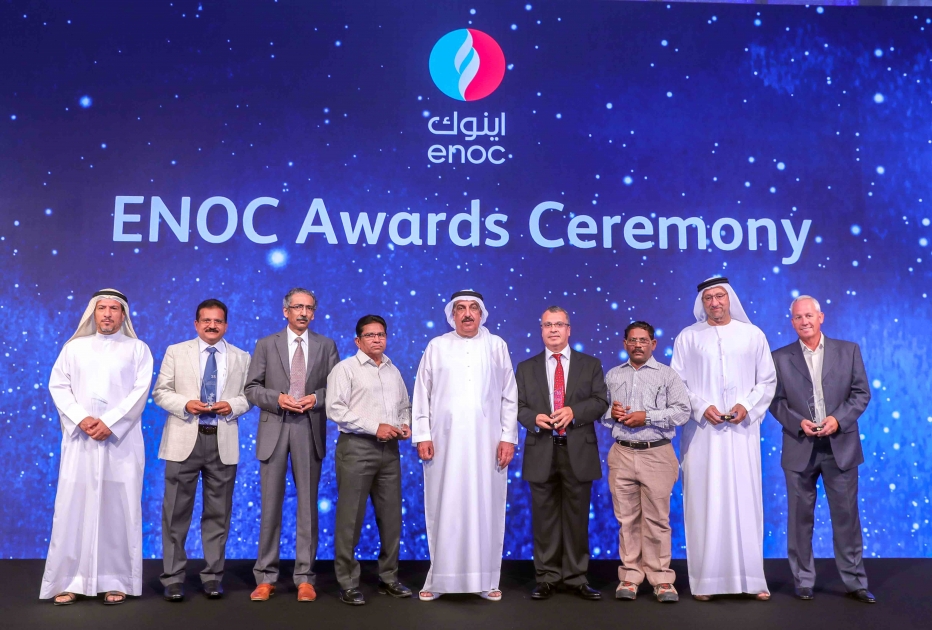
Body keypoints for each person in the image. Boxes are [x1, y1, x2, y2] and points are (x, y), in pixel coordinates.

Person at [41, 289, 154, 606]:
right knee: (73, 508)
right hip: (81, 442)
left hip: (121, 445)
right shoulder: (73, 349)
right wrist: (82, 419)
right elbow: (58, 386)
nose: (107, 314)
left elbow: (140, 392)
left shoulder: (138, 350)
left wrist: (111, 423)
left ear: (123, 315)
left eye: (113, 309)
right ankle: (69, 581)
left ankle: (116, 580)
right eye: (102, 308)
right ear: (93, 312)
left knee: (119, 509)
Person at [670, 277, 777, 601]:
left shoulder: (753, 335)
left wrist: (746, 405)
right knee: (704, 501)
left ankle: (752, 580)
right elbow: (676, 384)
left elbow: (767, 380)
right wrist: (702, 407)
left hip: (742, 435)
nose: (715, 303)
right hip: (702, 435)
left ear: (729, 298)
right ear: (702, 303)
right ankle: (706, 582)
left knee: (745, 500)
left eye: (720, 296)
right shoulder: (688, 337)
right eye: (708, 298)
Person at [412, 290, 518, 602]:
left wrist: (508, 437)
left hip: (488, 444)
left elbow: (509, 395)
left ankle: (486, 580)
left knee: (486, 507)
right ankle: (440, 579)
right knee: (444, 505)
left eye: (473, 308)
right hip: (444, 443)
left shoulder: (496, 345)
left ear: (482, 314)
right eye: (461, 308)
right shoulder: (437, 346)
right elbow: (421, 393)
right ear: (452, 314)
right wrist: (422, 434)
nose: (467, 313)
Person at [770, 296, 875, 603]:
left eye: (809, 315)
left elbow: (861, 393)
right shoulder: (779, 357)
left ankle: (855, 582)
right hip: (799, 446)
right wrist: (797, 422)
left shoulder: (848, 350)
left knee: (847, 518)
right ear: (792, 322)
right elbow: (775, 401)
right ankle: (803, 580)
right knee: (799, 519)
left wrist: (838, 420)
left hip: (840, 446)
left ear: (821, 317)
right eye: (798, 317)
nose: (804, 321)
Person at [152, 298, 252, 601]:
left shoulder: (241, 356)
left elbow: (249, 396)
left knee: (218, 514)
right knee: (175, 513)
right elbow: (161, 392)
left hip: (222, 441)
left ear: (226, 325)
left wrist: (231, 405)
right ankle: (172, 578)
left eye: (218, 321)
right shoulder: (176, 351)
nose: (212, 325)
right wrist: (185, 403)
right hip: (183, 440)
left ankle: (213, 577)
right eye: (206, 320)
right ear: (196, 324)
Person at [245, 288, 339, 602]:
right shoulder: (265, 344)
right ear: (285, 311)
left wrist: (316, 398)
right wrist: (277, 398)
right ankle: (265, 577)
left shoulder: (326, 345)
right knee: (270, 505)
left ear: (314, 312)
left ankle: (305, 578)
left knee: (308, 507)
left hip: (308, 428)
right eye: (297, 307)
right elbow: (251, 389)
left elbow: (337, 389)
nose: (303, 313)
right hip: (275, 426)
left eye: (309, 308)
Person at [516, 306, 608, 601]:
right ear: (541, 330)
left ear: (569, 329)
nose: (553, 329)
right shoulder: (526, 367)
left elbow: (600, 402)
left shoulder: (590, 364)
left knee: (577, 519)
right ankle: (546, 577)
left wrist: (574, 412)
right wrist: (533, 418)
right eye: (547, 325)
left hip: (577, 451)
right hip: (541, 449)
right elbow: (517, 406)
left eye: (559, 324)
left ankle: (576, 577)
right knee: (544, 520)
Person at [326, 314, 414, 606]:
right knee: (350, 518)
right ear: (358, 340)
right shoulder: (345, 369)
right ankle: (348, 582)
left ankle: (389, 578)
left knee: (391, 518)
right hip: (357, 448)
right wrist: (375, 427)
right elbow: (335, 409)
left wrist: (404, 424)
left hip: (390, 451)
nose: (377, 339)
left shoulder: (393, 370)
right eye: (370, 335)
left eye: (381, 335)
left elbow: (404, 406)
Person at [601, 321, 690, 603]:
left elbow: (683, 412)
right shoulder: (613, 375)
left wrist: (647, 417)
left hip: (657, 453)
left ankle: (661, 579)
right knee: (626, 520)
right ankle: (630, 576)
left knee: (657, 520)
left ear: (653, 344)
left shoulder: (667, 375)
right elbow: (601, 413)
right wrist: (612, 413)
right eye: (632, 340)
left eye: (643, 340)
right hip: (622, 453)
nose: (637, 345)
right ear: (625, 344)